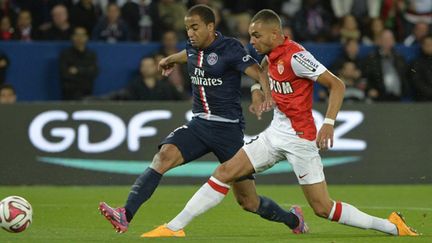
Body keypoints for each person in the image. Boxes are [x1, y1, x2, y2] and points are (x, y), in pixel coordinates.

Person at [142, 9, 419, 238]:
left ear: (275, 34)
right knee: (225, 171)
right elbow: (259, 72)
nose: (252, 41)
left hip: (300, 140)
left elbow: (337, 85)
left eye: (256, 35)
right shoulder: (269, 54)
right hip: (275, 133)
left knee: (323, 208)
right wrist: (256, 92)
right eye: (250, 35)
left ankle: (393, 226)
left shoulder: (297, 57)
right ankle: (174, 227)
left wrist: (329, 122)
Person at [98, 4, 307, 236]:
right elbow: (187, 55)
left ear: (210, 26)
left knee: (249, 201)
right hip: (199, 125)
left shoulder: (230, 48)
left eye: (195, 27)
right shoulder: (192, 46)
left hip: (228, 131)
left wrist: (262, 94)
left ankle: (293, 219)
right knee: (163, 156)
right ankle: (125, 215)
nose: (189, 33)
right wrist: (170, 59)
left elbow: (259, 71)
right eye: (187, 28)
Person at [97, 56, 184, 101]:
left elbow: (182, 98)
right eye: (143, 66)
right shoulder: (134, 85)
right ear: (140, 69)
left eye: (149, 66)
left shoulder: (165, 85)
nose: (146, 68)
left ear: (155, 67)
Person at [59, 26, 99, 100]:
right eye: (77, 35)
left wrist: (78, 71)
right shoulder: (66, 54)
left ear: (86, 37)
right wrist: (86, 72)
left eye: (82, 35)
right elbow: (65, 74)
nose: (79, 38)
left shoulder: (91, 55)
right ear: (72, 37)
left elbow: (94, 72)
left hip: (87, 94)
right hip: (69, 95)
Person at [410, 34, 432, 101]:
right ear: (422, 46)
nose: (430, 47)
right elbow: (417, 82)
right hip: (423, 100)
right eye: (427, 44)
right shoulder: (415, 63)